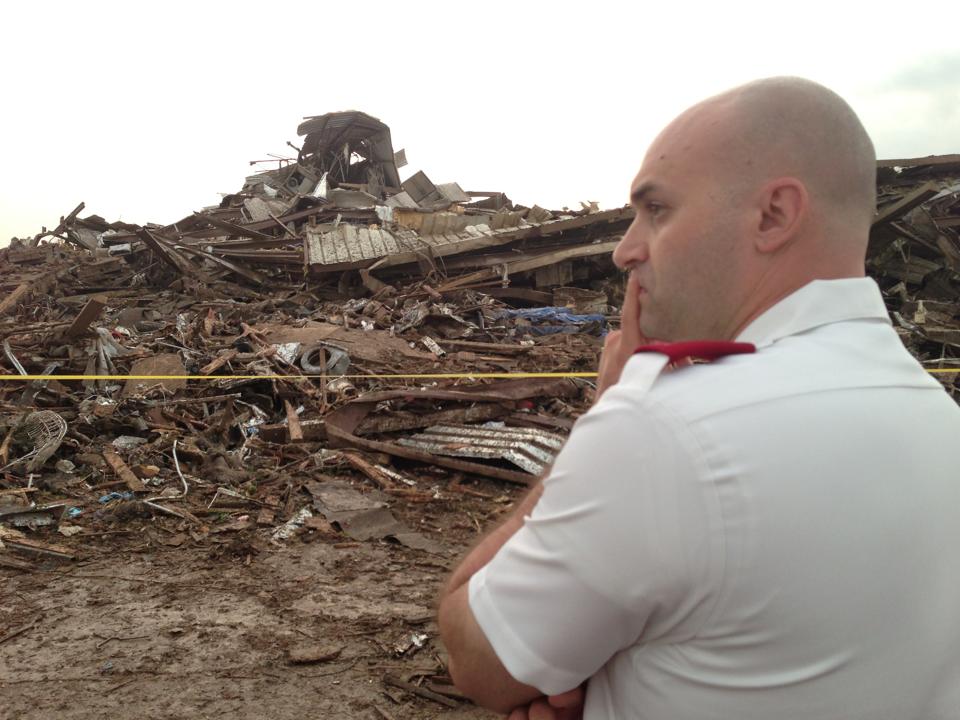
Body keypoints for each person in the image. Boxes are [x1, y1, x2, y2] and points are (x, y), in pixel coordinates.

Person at [436, 77, 960, 719]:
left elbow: (477, 657)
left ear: (773, 215)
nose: (626, 250)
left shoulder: (666, 428)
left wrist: (606, 414)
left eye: (656, 210)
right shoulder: (934, 414)